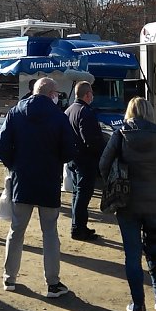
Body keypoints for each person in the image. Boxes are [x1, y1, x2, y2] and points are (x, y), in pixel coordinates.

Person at [100, 97, 156, 311]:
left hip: (127, 203)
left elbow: (103, 164)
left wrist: (115, 184)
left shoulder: (120, 134)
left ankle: (138, 305)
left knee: (132, 254)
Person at [0, 77, 77, 298]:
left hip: (22, 181)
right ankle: (52, 284)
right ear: (51, 93)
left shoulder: (16, 112)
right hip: (48, 182)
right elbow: (70, 150)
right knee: (50, 233)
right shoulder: (58, 117)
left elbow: (1, 145)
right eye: (56, 93)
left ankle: (9, 278)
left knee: (16, 230)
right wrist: (55, 161)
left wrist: (14, 165)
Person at [64, 81, 105, 241]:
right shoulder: (85, 112)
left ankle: (78, 225)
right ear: (87, 95)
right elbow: (90, 139)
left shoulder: (69, 110)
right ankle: (78, 228)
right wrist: (101, 151)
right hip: (85, 160)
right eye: (92, 93)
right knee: (83, 195)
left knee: (77, 194)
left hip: (73, 159)